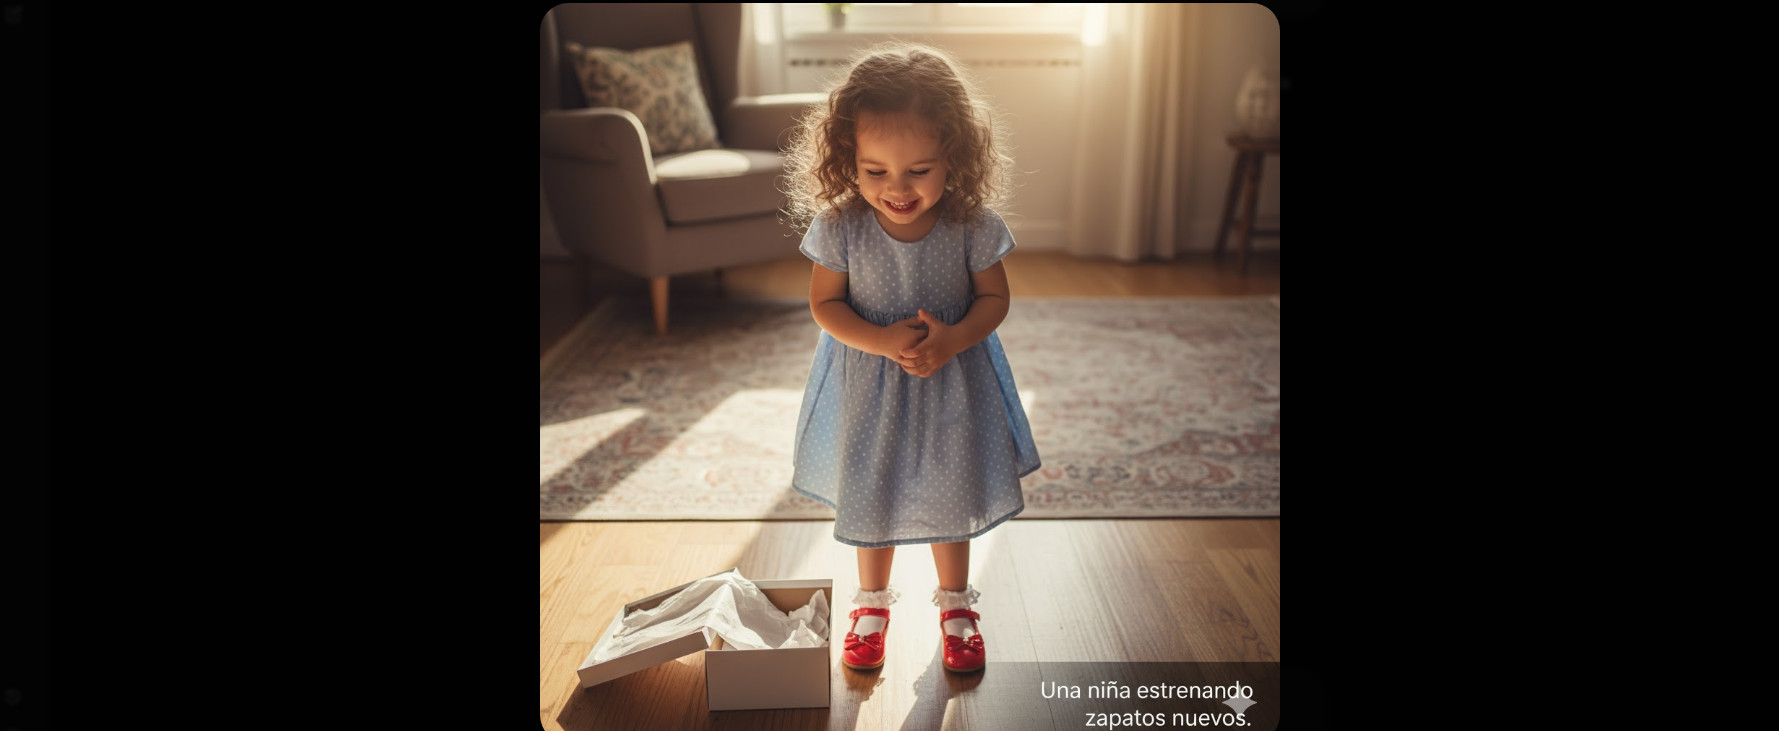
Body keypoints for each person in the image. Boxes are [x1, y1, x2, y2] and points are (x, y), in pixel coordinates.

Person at [782, 43, 1040, 674]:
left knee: (952, 492)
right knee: (872, 491)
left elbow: (995, 299)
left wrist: (951, 340)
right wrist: (880, 340)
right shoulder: (841, 226)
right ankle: (871, 607)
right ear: (848, 159)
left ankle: (957, 607)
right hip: (872, 388)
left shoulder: (971, 224)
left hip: (953, 382)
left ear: (955, 156)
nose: (896, 189)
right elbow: (824, 305)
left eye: (919, 170)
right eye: (874, 171)